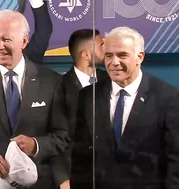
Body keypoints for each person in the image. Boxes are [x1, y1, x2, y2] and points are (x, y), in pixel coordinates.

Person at [0, 9, 71, 189]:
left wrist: (35, 145)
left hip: (37, 182)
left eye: (6, 39)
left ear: (24, 41)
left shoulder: (51, 81)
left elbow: (62, 136)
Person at [71, 26, 179, 189]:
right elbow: (80, 158)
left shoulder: (168, 97)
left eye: (122, 55)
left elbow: (175, 161)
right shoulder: (88, 96)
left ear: (140, 57)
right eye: (109, 55)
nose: (114, 62)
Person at [51, 29, 109, 189]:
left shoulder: (112, 81)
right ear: (85, 55)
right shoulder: (59, 88)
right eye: (101, 45)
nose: (106, 49)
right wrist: (62, 179)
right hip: (74, 178)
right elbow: (56, 137)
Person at [0, 0, 52, 64]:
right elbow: (44, 32)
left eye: (8, 39)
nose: (1, 47)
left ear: (23, 41)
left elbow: (44, 32)